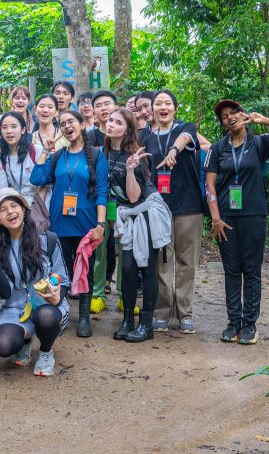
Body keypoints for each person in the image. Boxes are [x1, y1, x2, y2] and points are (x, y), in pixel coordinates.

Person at [206, 100, 269, 345]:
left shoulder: (259, 143)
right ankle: (233, 323)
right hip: (226, 219)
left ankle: (249, 325)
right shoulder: (218, 149)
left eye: (233, 112)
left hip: (253, 216)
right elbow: (210, 185)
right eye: (225, 116)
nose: (229, 117)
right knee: (231, 272)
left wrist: (265, 121)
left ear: (243, 115)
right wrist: (215, 218)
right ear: (223, 123)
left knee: (251, 271)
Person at [0, 189, 70, 377]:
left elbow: (63, 277)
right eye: (3, 209)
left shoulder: (47, 239)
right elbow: (4, 293)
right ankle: (26, 340)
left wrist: (58, 295)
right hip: (15, 309)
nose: (10, 212)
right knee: (3, 345)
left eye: (14, 205)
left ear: (24, 209)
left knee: (45, 317)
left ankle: (45, 352)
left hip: (47, 307)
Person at [30, 109, 108, 337]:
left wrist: (100, 224)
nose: (66, 126)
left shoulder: (96, 155)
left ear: (82, 124)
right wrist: (46, 149)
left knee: (85, 269)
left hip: (86, 223)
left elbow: (102, 191)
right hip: (59, 223)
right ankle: (61, 312)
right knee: (59, 269)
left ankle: (83, 317)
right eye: (62, 124)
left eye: (71, 121)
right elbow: (37, 178)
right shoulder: (58, 156)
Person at [104, 107, 172, 342]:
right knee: (128, 271)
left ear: (128, 129)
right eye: (110, 120)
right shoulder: (104, 153)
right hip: (125, 215)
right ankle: (127, 321)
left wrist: (131, 171)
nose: (111, 124)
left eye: (118, 122)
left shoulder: (134, 156)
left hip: (144, 215)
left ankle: (146, 325)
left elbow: (134, 197)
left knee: (146, 269)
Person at [143, 90, 204, 335]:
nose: (163, 107)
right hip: (159, 208)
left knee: (186, 261)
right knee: (162, 261)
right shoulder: (147, 138)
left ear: (175, 108)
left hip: (188, 206)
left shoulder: (184, 128)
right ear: (153, 109)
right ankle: (162, 312)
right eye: (159, 103)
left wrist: (173, 151)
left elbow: (188, 137)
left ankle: (186, 313)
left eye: (168, 103)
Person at [85, 90, 118, 306]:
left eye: (108, 104)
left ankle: (124, 293)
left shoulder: (125, 135)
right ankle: (97, 293)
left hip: (123, 201)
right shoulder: (88, 137)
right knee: (99, 246)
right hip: (97, 199)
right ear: (93, 111)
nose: (104, 108)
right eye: (99, 105)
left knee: (123, 247)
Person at [0, 112, 39, 207]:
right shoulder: (2, 161)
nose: (9, 131)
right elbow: (1, 192)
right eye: (4, 127)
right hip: (16, 207)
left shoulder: (36, 151)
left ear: (23, 129)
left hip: (37, 206)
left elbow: (44, 186)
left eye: (14, 126)